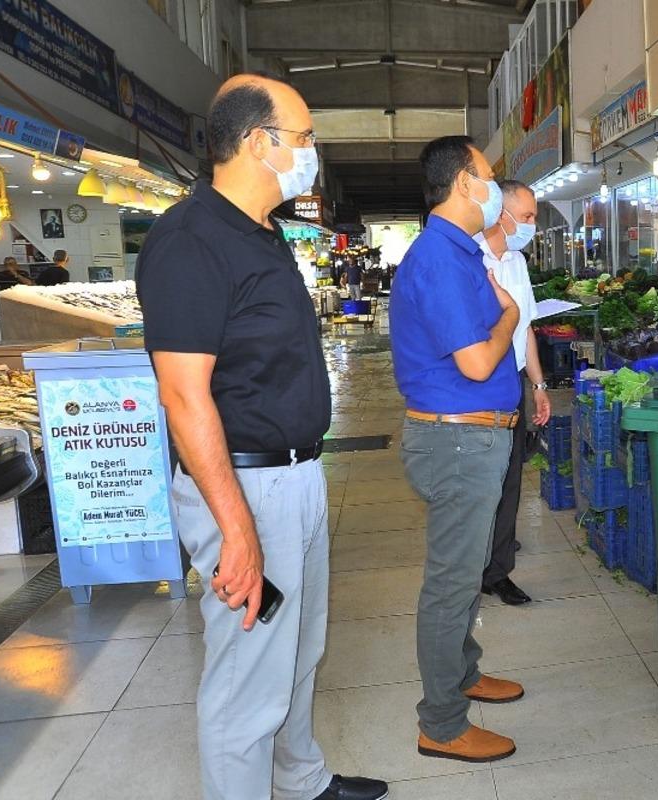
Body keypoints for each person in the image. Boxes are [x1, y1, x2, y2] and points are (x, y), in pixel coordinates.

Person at [136, 74, 388, 800]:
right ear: (257, 141)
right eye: (304, 137)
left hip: (295, 477)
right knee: (247, 678)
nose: (312, 151)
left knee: (298, 651)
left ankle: (301, 780)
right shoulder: (190, 241)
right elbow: (184, 398)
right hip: (245, 488)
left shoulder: (263, 233)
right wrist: (236, 530)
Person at [390, 135, 524, 764]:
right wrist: (510, 320)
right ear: (465, 182)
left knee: (466, 571)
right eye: (489, 175)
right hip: (458, 437)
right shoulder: (439, 258)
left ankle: (463, 674)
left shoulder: (461, 251)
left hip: (475, 434)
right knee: (450, 583)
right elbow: (476, 361)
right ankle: (441, 724)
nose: (494, 187)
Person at [475, 179, 551, 606]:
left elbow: (527, 330)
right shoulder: (471, 258)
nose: (531, 225)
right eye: (525, 217)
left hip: (514, 381)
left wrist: (538, 386)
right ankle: (472, 567)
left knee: (510, 479)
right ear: (500, 214)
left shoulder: (517, 262)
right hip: (480, 382)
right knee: (477, 482)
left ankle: (498, 571)